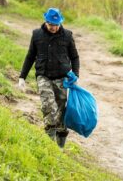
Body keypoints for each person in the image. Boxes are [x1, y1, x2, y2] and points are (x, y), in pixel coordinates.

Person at [18, 8, 80, 149]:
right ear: (46, 21)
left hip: (62, 79)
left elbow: (75, 57)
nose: (54, 27)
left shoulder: (67, 36)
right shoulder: (37, 35)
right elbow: (30, 56)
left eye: (57, 24)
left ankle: (60, 144)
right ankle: (50, 144)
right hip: (43, 76)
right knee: (48, 107)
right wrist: (22, 77)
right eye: (51, 24)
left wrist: (75, 74)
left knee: (61, 112)